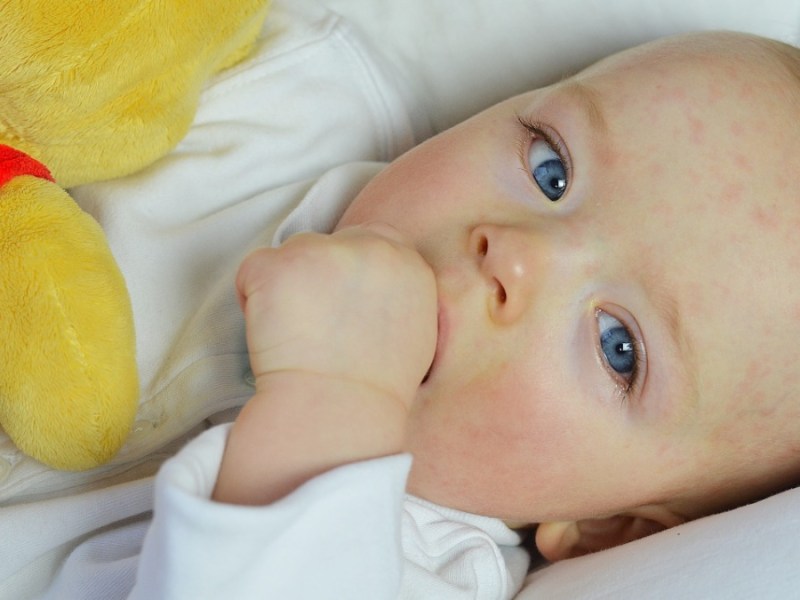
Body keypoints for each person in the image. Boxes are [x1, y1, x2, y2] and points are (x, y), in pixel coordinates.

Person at [1, 8, 798, 598]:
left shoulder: (422, 570)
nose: (515, 252)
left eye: (618, 345)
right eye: (551, 168)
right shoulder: (298, 114)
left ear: (608, 531)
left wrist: (334, 405)